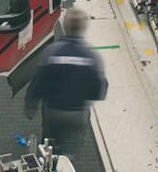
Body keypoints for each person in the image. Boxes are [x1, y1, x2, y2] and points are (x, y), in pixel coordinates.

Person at [24, 8, 108, 162]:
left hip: (53, 112)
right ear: (83, 28)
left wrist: (30, 105)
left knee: (48, 150)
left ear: (64, 26)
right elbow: (99, 92)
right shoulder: (91, 57)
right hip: (77, 115)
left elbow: (38, 83)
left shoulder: (52, 52)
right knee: (68, 157)